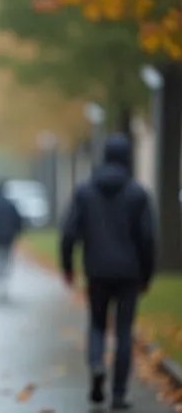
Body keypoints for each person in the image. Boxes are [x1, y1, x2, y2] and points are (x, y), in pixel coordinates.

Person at [61, 134, 156, 411]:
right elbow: (148, 238)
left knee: (98, 325)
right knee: (124, 331)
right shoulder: (139, 194)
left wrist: (68, 267)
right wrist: (147, 275)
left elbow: (69, 233)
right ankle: (119, 393)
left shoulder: (85, 191)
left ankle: (97, 364)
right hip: (129, 274)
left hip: (97, 271)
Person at [0, 178, 23, 302]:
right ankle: (5, 283)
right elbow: (18, 220)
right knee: (6, 259)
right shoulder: (11, 204)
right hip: (9, 237)